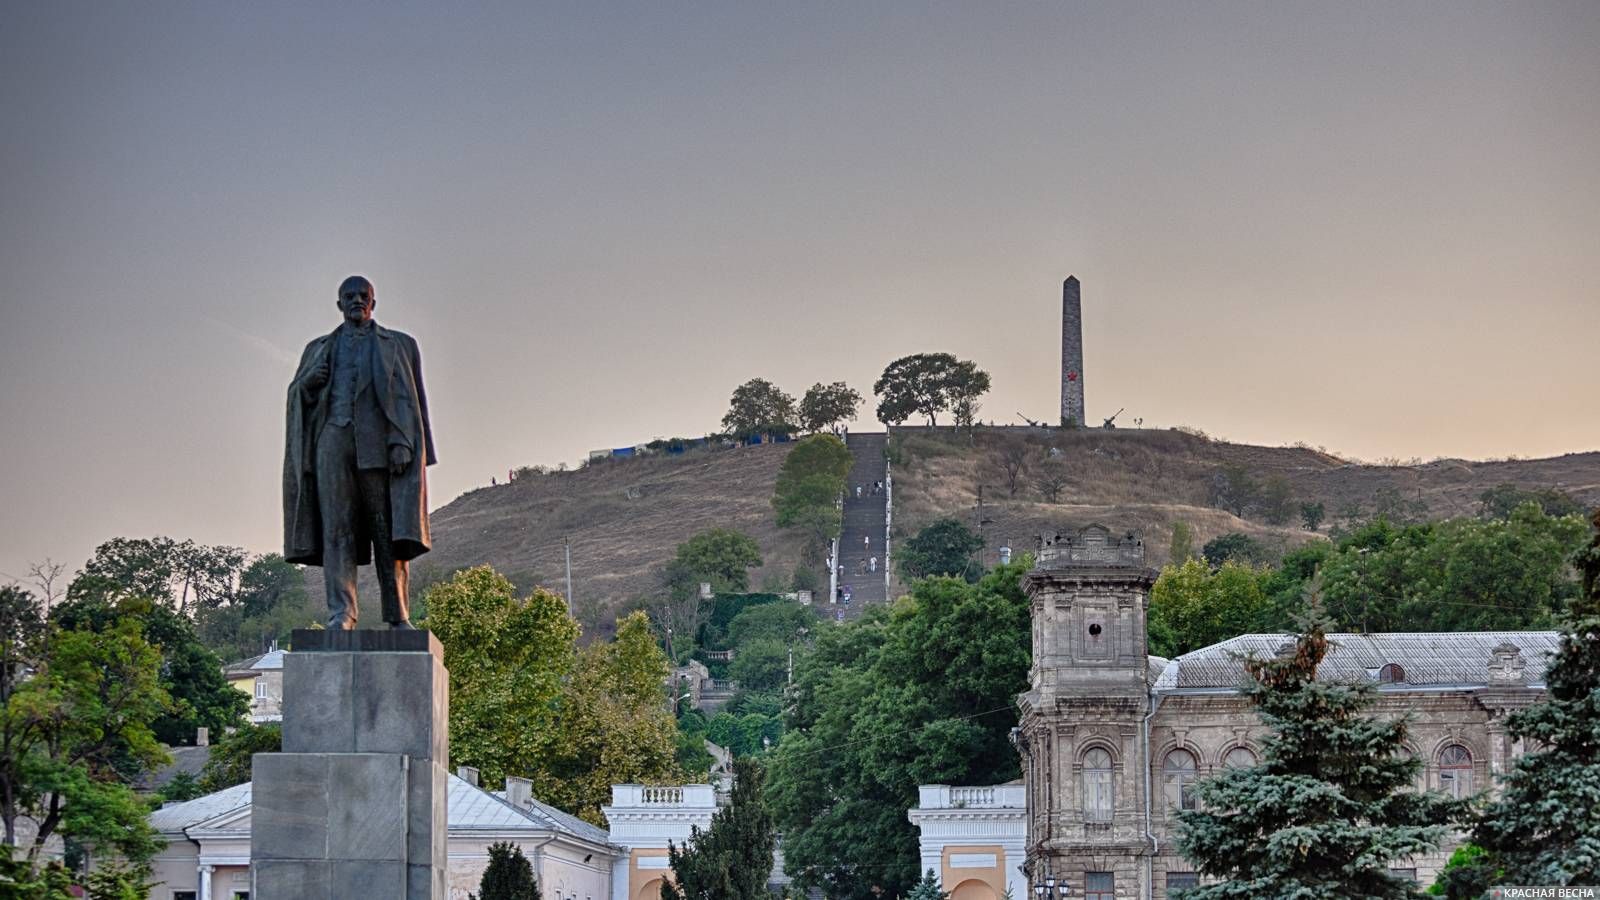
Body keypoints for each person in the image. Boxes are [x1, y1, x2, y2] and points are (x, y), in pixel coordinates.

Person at [284, 275, 437, 630]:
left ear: (373, 302)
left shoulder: (399, 345)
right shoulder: (317, 348)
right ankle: (343, 613)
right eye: (349, 296)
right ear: (339, 304)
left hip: (379, 448)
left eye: (363, 296)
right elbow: (297, 397)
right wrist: (307, 384)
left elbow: (409, 400)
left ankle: (398, 616)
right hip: (331, 442)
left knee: (388, 532)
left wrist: (403, 441)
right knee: (337, 529)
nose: (356, 301)